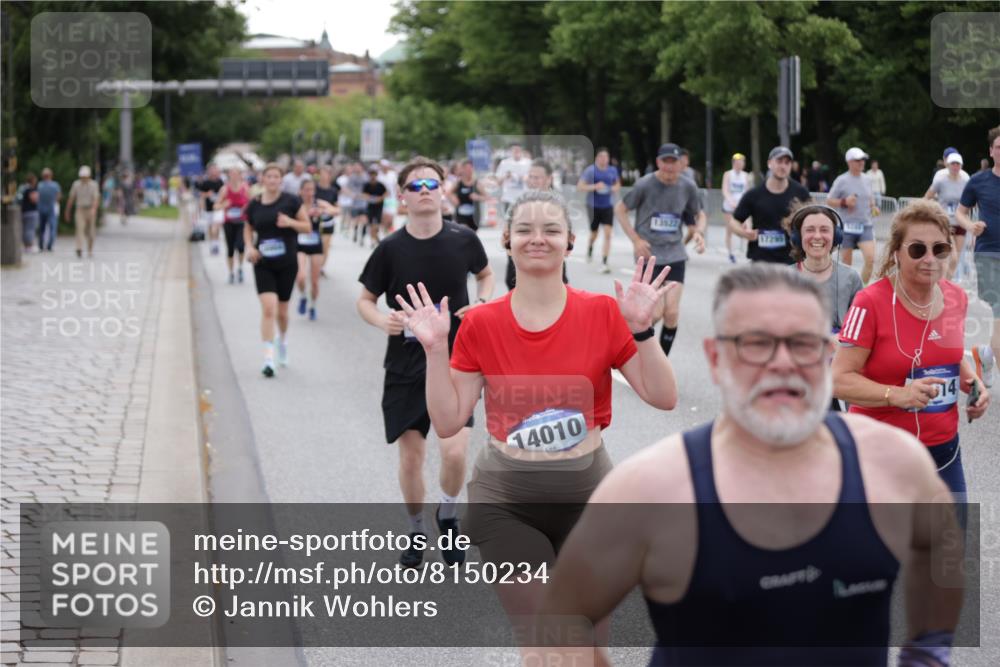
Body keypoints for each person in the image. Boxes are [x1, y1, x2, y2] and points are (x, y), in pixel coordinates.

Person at [537, 264, 964, 667]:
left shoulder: (892, 464)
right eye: (756, 344)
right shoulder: (653, 489)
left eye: (801, 343)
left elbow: (940, 547)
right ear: (716, 358)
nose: (781, 363)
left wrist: (929, 651)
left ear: (828, 352)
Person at [396, 188, 677, 635]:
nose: (537, 238)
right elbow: (449, 421)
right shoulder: (482, 322)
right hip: (506, 497)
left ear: (569, 242)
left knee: (589, 638)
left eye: (551, 229)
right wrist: (434, 349)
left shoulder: (603, 311)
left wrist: (642, 330)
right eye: (524, 229)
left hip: (589, 490)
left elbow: (663, 397)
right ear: (507, 240)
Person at [357, 156, 494, 568]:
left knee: (454, 453)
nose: (424, 192)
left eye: (430, 184)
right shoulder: (390, 248)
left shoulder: (463, 239)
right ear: (401, 197)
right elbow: (365, 299)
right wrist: (384, 320)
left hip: (457, 361)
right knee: (412, 457)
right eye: (414, 187)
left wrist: (482, 304)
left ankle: (448, 515)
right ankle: (417, 528)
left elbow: (485, 275)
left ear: (443, 191)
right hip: (406, 364)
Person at [833, 200, 990, 495]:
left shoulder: (956, 297)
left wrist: (974, 384)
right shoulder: (870, 302)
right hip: (879, 452)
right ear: (896, 253)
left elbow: (950, 356)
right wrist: (898, 395)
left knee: (954, 540)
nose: (930, 259)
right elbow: (838, 380)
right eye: (918, 249)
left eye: (940, 249)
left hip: (944, 453)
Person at [615, 143, 706, 357]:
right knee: (652, 315)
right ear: (658, 162)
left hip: (675, 254)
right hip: (649, 255)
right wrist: (636, 240)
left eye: (673, 162)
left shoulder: (688, 186)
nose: (669, 167)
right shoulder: (645, 185)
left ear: (680, 164)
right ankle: (623, 348)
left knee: (672, 313)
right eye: (665, 162)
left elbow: (698, 214)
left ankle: (661, 363)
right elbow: (620, 209)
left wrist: (699, 232)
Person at [785, 203, 863, 411]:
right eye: (809, 230)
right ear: (797, 237)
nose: (817, 236)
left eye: (824, 230)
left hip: (841, 369)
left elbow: (862, 329)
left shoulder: (851, 278)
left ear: (836, 236)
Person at [243, 164, 312, 378]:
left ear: (281, 180)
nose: (273, 180)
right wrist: (249, 246)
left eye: (276, 177)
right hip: (263, 263)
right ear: (262, 179)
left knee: (282, 311)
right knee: (269, 309)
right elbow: (248, 228)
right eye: (269, 176)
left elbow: (307, 227)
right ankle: (268, 358)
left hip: (287, 263)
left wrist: (289, 221)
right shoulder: (254, 204)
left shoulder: (291, 201)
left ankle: (282, 340)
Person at [956, 126, 1000, 389]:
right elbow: (961, 213)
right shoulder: (978, 181)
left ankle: (986, 355)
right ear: (991, 151)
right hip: (988, 254)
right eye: (999, 147)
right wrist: (970, 225)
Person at [730, 146, 811, 265]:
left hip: (791, 262)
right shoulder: (754, 194)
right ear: (769, 163)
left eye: (787, 162)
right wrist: (745, 233)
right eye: (779, 161)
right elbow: (734, 221)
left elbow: (813, 219)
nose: (783, 166)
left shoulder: (801, 193)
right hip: (760, 262)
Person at [505, 159, 568, 291]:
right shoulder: (519, 202)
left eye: (537, 177)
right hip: (519, 266)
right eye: (530, 176)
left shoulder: (558, 205)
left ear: (549, 179)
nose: (532, 180)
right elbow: (506, 233)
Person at [828, 147, 879, 284]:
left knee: (870, 259)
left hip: (865, 225)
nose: (861, 162)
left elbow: (870, 197)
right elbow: (829, 200)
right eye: (858, 160)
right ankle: (848, 289)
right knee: (846, 263)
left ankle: (861, 288)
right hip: (847, 226)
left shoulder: (867, 179)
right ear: (849, 162)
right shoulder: (841, 180)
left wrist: (873, 206)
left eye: (863, 159)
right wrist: (844, 201)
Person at [294, 179, 336, 321]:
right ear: (301, 191)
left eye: (312, 189)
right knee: (300, 276)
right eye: (306, 189)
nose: (310, 193)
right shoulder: (296, 204)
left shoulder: (318, 203)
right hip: (299, 244)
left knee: (315, 281)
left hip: (315, 245)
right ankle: (303, 296)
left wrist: (322, 211)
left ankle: (312, 306)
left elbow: (336, 210)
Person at [924, 151, 970, 279]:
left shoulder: (966, 179)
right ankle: (944, 282)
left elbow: (972, 199)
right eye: (953, 164)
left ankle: (946, 283)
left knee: (957, 258)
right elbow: (927, 197)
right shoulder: (940, 179)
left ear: (961, 165)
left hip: (961, 222)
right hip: (946, 222)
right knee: (952, 257)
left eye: (958, 164)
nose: (955, 167)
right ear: (948, 165)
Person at [577, 147, 621, 274]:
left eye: (606, 157)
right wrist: (595, 186)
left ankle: (604, 261)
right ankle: (590, 247)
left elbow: (617, 184)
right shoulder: (591, 171)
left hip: (608, 205)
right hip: (593, 206)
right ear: (597, 158)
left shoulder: (612, 170)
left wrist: (613, 188)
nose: (604, 159)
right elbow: (580, 186)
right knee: (594, 234)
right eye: (601, 156)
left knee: (608, 234)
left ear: (608, 159)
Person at [215, 168, 250, 284]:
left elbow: (252, 203)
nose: (234, 176)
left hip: (241, 222)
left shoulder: (245, 188)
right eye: (232, 174)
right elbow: (216, 206)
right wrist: (224, 204)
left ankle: (240, 267)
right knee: (230, 249)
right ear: (229, 176)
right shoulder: (225, 189)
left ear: (240, 175)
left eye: (236, 174)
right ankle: (231, 272)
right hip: (229, 222)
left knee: (240, 246)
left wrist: (246, 208)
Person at [721, 153, 751, 263]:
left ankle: (748, 253)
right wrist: (731, 201)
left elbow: (747, 192)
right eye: (738, 162)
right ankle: (730, 253)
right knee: (730, 230)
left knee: (747, 229)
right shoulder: (728, 174)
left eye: (742, 162)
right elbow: (725, 190)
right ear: (733, 163)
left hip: (742, 207)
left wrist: (745, 204)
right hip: (729, 207)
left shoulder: (745, 175)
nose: (740, 164)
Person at [65, 166, 100, 259]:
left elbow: (96, 198)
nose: (84, 178)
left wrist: (94, 209)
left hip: (90, 209)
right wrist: (67, 211)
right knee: (79, 229)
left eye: (85, 176)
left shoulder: (94, 185)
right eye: (82, 176)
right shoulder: (76, 184)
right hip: (80, 209)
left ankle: (90, 249)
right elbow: (71, 198)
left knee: (91, 232)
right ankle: (79, 248)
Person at [315, 165, 340, 277]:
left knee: (325, 246)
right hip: (314, 221)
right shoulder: (314, 188)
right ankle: (314, 265)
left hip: (328, 221)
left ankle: (321, 267)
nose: (325, 176)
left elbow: (337, 209)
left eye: (327, 174)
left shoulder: (333, 190)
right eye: (323, 173)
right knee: (315, 245)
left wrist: (328, 207)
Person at [448, 159, 485, 232]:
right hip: (461, 215)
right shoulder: (458, 182)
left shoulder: (476, 183)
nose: (469, 171)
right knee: (464, 231)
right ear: (463, 170)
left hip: (474, 216)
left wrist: (478, 197)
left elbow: (486, 197)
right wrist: (453, 199)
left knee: (471, 235)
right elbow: (449, 193)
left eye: (470, 168)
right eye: (467, 169)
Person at [496, 143, 532, 217]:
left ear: (521, 151)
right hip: (508, 199)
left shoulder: (528, 163)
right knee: (509, 223)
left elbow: (533, 181)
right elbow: (498, 182)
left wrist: (523, 178)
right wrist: (506, 176)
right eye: (514, 150)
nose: (516, 152)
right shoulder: (504, 163)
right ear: (511, 151)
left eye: (518, 150)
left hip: (524, 199)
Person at [198, 165, 224, 255]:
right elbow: (201, 195)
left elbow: (224, 193)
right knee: (210, 228)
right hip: (208, 209)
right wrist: (207, 194)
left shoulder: (221, 182)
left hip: (218, 209)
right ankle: (212, 244)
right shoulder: (206, 183)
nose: (214, 173)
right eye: (212, 171)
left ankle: (216, 244)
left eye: (216, 171)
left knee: (215, 227)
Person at [36, 168, 61, 252]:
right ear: (51, 175)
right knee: (52, 228)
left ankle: (41, 245)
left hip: (41, 208)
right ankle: (49, 245)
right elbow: (58, 197)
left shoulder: (40, 185)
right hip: (51, 208)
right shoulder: (55, 185)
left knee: (41, 228)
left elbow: (37, 197)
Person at [362, 167, 388, 247]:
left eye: (374, 175)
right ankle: (373, 240)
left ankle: (375, 238)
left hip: (379, 207)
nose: (373, 177)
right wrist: (370, 198)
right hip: (370, 207)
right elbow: (364, 194)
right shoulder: (367, 185)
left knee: (376, 225)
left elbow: (386, 193)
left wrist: (380, 198)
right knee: (371, 224)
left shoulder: (380, 185)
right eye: (371, 175)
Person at [18, 173, 39, 254]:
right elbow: (34, 199)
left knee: (25, 229)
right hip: (31, 211)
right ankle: (29, 246)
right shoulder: (30, 189)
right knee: (30, 229)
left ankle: (26, 246)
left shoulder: (22, 187)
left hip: (24, 211)